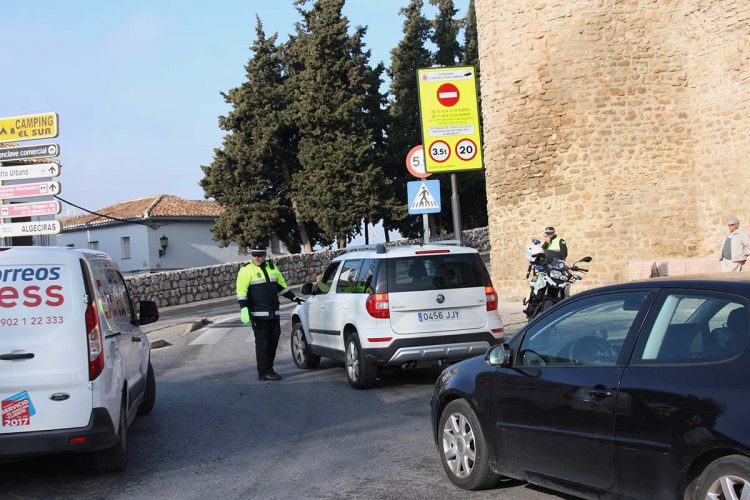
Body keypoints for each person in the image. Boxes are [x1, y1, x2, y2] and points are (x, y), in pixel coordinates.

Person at [236, 244, 305, 381]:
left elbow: (280, 287)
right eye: (254, 255)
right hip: (258, 315)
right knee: (263, 343)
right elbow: (241, 291)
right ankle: (264, 372)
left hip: (274, 313)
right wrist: (244, 308)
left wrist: (294, 297)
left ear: (265, 255)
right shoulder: (245, 271)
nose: (256, 257)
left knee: (273, 340)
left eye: (259, 255)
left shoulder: (272, 268)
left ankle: (268, 368)